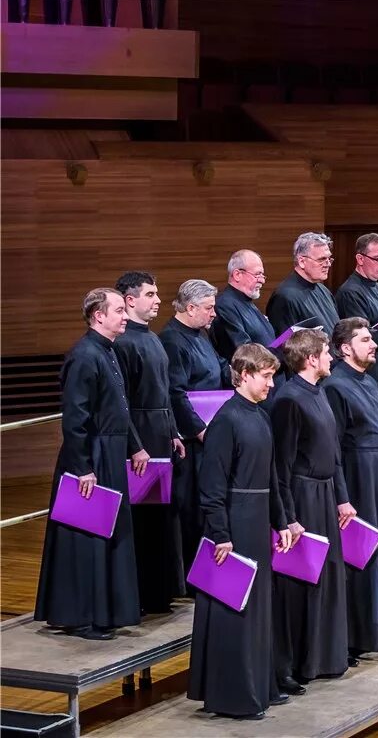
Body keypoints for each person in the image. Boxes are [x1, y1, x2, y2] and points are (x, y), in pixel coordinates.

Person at [187, 344, 293, 720]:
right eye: (266, 376)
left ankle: (260, 685)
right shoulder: (226, 421)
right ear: (245, 375)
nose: (271, 383)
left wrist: (282, 522)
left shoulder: (260, 416)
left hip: (257, 519)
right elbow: (211, 485)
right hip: (234, 524)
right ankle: (233, 694)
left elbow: (273, 478)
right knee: (235, 608)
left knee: (258, 608)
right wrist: (220, 534)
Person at [34, 288, 141, 640]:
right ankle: (81, 615)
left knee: (106, 535)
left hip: (109, 452)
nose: (125, 315)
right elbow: (75, 418)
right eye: (118, 310)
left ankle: (104, 611)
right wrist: (82, 467)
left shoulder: (107, 352)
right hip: (91, 456)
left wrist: (134, 447)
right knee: (87, 538)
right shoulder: (84, 356)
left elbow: (119, 409)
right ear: (98, 315)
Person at [271, 329, 355, 694]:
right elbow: (282, 467)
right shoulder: (289, 400)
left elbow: (333, 454)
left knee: (330, 577)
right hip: (303, 497)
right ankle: (296, 663)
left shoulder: (319, 392)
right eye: (326, 353)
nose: (332, 358)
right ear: (309, 359)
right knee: (302, 583)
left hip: (325, 495)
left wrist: (342, 497)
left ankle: (326, 655)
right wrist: (289, 517)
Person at [114, 271, 187, 614]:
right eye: (151, 294)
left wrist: (173, 431)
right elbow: (122, 401)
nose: (158, 300)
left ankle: (161, 591)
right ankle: (143, 593)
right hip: (142, 440)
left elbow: (165, 392)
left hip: (160, 436)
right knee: (142, 520)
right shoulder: (125, 343)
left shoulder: (153, 339)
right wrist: (135, 445)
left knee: (160, 517)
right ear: (130, 300)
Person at [323, 317, 378, 656]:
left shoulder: (371, 381)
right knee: (357, 556)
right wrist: (342, 497)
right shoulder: (336, 386)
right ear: (344, 348)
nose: (374, 344)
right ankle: (352, 638)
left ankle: (375, 632)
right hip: (356, 478)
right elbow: (332, 448)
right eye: (365, 340)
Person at [159, 279, 231, 577]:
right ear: (190, 308)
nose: (214, 314)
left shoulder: (201, 334)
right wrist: (200, 430)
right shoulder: (173, 340)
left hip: (210, 432)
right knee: (192, 508)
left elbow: (218, 366)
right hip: (193, 438)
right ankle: (192, 572)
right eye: (209, 308)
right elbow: (175, 392)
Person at [210, 249, 284, 404]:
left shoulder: (247, 302)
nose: (262, 280)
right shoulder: (225, 305)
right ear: (237, 274)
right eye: (257, 275)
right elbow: (244, 350)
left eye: (262, 275)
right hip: (251, 390)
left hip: (268, 385)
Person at [335, 233, 378, 382]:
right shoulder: (350, 292)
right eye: (377, 258)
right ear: (360, 259)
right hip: (373, 371)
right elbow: (362, 336)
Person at [266, 232, 340, 340]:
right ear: (301, 261)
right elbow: (284, 344)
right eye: (321, 259)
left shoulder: (324, 290)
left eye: (329, 259)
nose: (328, 264)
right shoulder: (284, 297)